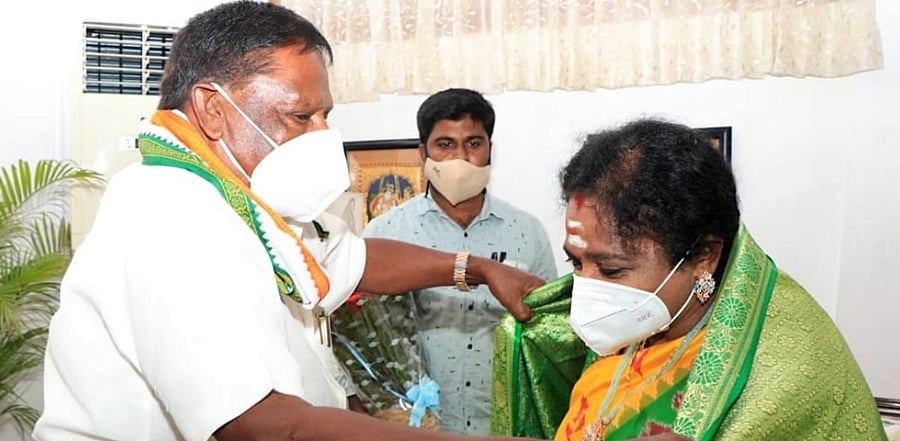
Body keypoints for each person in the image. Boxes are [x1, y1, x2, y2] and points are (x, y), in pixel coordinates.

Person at [31, 3, 548, 441]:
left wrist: (475, 267)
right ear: (214, 109)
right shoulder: (168, 216)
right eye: (302, 117)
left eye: (326, 115)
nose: (323, 136)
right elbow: (263, 425)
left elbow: (359, 261)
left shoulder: (250, 195)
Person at [497, 118, 884, 440]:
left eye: (612, 269)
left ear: (704, 257)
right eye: (577, 264)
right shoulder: (643, 326)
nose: (586, 289)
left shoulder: (789, 372)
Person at [363, 88, 558, 435]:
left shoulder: (527, 232)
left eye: (473, 143)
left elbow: (548, 335)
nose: (460, 158)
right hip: (418, 428)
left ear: (489, 150)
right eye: (445, 144)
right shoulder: (385, 233)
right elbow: (367, 335)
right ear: (423, 153)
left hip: (505, 426)